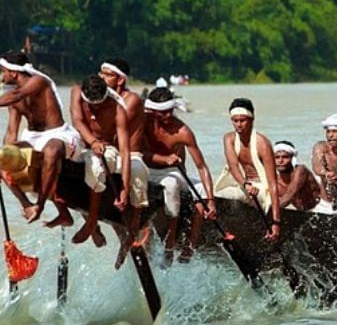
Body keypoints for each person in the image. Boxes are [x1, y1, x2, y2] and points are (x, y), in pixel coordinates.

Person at [140, 87, 221, 265]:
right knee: (171, 184)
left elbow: (202, 167)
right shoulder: (142, 123)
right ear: (152, 110)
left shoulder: (183, 131)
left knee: (200, 192)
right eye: (163, 112)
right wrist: (164, 158)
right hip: (147, 170)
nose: (168, 115)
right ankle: (168, 243)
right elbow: (134, 151)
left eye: (170, 111)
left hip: (173, 171)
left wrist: (211, 200)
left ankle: (190, 245)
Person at [0, 51, 79, 227]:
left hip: (58, 134)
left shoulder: (38, 81)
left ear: (13, 72)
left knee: (50, 152)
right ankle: (27, 205)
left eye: (3, 71)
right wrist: (6, 160)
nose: (2, 75)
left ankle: (40, 205)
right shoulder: (11, 95)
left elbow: (16, 96)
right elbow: (12, 131)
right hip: (33, 137)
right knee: (0, 157)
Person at [68, 74, 141, 247]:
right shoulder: (76, 92)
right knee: (55, 156)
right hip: (80, 143)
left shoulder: (117, 109)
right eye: (92, 104)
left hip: (106, 148)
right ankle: (79, 219)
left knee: (96, 168)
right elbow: (77, 121)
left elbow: (124, 149)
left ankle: (92, 221)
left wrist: (123, 188)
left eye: (100, 104)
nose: (96, 108)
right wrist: (92, 142)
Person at [215, 99, 281, 219]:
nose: (238, 125)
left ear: (251, 119)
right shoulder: (229, 139)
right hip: (244, 185)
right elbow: (233, 167)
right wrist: (245, 184)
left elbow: (273, 183)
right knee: (216, 195)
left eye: (242, 120)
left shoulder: (262, 144)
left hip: (261, 189)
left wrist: (276, 221)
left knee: (228, 196)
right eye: (235, 121)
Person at [273, 141, 319, 211]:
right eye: (277, 157)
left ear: (292, 159)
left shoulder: (300, 170)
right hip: (304, 213)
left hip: (320, 209)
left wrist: (271, 211)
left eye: (285, 157)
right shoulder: (276, 181)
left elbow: (291, 193)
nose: (280, 161)